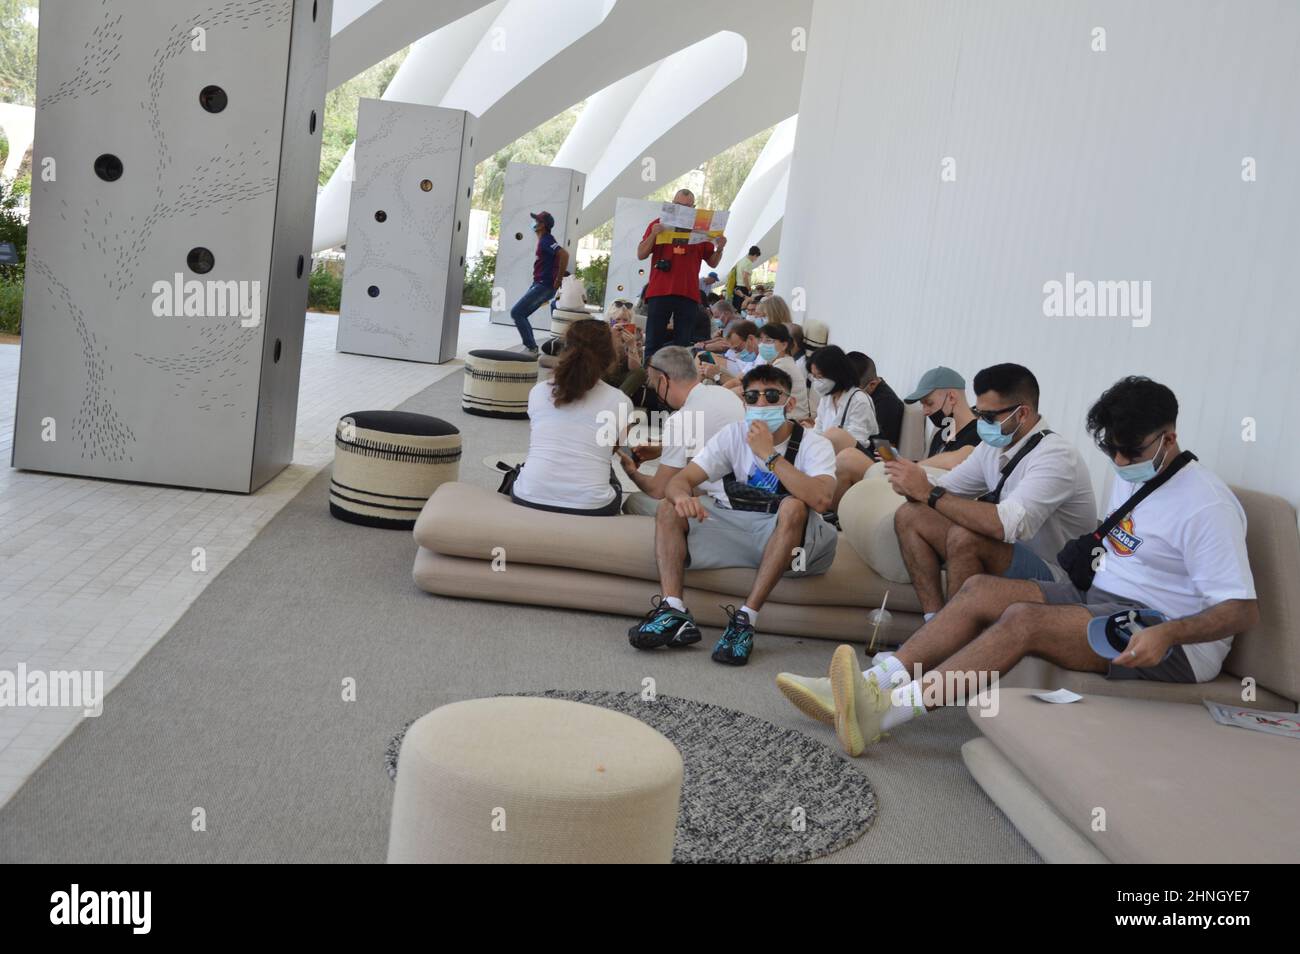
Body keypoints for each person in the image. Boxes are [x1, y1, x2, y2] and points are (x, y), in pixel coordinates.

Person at [777, 376, 1259, 757]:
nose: (1117, 460)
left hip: (1164, 633)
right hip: (1103, 601)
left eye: (1128, 452)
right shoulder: (1135, 472)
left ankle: (880, 717)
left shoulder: (1205, 505)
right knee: (982, 590)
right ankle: (869, 684)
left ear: (1169, 438)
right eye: (1109, 448)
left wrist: (1169, 635)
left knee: (1023, 620)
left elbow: (1240, 611)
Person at [627, 364, 838, 666]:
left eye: (772, 396)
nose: (761, 404)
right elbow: (678, 481)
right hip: (737, 526)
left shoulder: (814, 444)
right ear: (744, 403)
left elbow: (821, 499)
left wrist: (770, 455)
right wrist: (683, 498)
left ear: (789, 403)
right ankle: (673, 610)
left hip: (788, 538)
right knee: (667, 507)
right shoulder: (732, 435)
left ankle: (745, 620)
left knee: (794, 505)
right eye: (753, 397)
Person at [885, 363, 1097, 621]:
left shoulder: (1056, 456)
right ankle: (935, 622)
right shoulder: (992, 448)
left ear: (1022, 414)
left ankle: (951, 641)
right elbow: (947, 488)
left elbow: (1006, 525)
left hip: (1054, 573)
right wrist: (912, 485)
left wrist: (928, 492)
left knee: (966, 537)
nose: (981, 423)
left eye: (989, 417)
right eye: (979, 413)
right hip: (1009, 552)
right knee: (910, 515)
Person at [507, 319, 631, 516]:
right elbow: (613, 450)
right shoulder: (621, 401)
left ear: (564, 349)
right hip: (593, 506)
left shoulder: (538, 391)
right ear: (610, 355)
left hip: (527, 495)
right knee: (606, 469)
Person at [620, 346, 745, 515]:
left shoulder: (681, 419)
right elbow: (707, 438)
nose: (656, 391)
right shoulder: (724, 394)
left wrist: (632, 472)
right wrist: (663, 447)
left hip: (720, 505)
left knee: (634, 502)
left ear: (663, 381)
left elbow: (659, 490)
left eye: (654, 385)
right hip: (746, 492)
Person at [638, 189, 726, 357]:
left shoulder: (701, 229)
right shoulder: (657, 224)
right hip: (660, 290)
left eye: (688, 207)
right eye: (679, 205)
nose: (684, 209)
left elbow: (713, 262)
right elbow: (641, 254)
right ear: (672, 204)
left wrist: (720, 248)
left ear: (694, 208)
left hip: (688, 294)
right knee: (653, 341)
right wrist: (653, 235)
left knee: (682, 345)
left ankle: (677, 381)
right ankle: (648, 380)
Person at [720, 322, 809, 422]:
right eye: (761, 340)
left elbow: (749, 391)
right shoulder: (773, 361)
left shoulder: (783, 365)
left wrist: (720, 397)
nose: (762, 344)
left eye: (769, 341)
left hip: (792, 418)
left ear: (784, 345)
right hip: (778, 413)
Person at [507, 211, 568, 355]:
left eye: (537, 221)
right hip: (540, 284)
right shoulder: (544, 240)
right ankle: (531, 348)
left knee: (517, 312)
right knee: (520, 314)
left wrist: (558, 280)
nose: (534, 223)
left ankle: (531, 348)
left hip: (544, 285)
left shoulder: (547, 240)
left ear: (543, 225)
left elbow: (564, 255)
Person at [806, 345, 878, 453]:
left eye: (820, 377)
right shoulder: (827, 398)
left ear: (837, 374)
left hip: (853, 460)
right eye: (814, 377)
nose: (816, 382)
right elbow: (818, 431)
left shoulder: (859, 401)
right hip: (827, 455)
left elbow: (856, 445)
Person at [698, 319, 763, 384]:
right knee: (704, 368)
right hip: (736, 375)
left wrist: (716, 376)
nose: (736, 353)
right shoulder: (752, 359)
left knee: (703, 357)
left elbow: (742, 385)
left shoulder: (762, 356)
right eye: (732, 349)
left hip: (737, 376)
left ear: (751, 339)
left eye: (738, 348)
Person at [728, 245, 762, 310]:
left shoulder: (741, 260)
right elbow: (745, 277)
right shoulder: (748, 263)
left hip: (737, 287)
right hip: (744, 288)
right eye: (756, 257)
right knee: (744, 308)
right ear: (755, 255)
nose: (756, 259)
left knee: (737, 307)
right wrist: (749, 288)